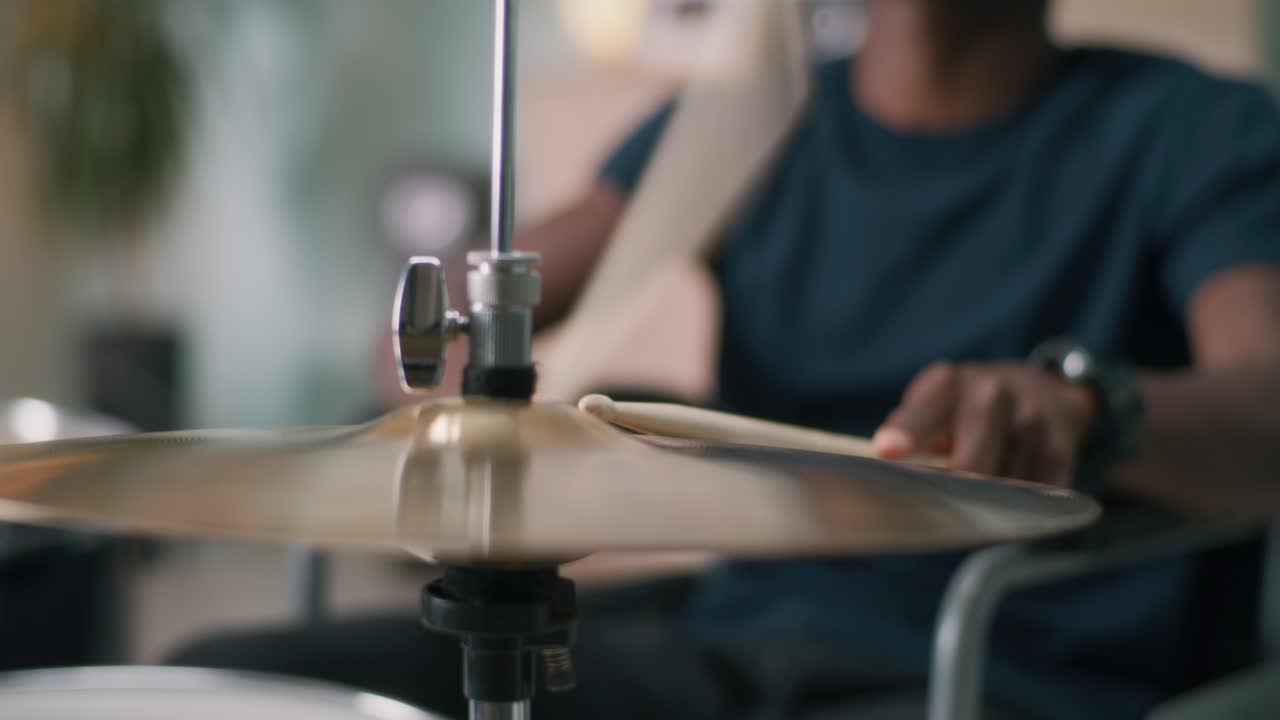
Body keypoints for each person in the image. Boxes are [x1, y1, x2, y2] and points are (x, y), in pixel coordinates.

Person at [170, 1, 1280, 718]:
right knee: (224, 685)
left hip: (999, 669)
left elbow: (1266, 409)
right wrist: (468, 396)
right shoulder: (751, 128)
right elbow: (441, 328)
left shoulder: (1188, 128)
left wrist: (1088, 406)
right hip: (734, 642)